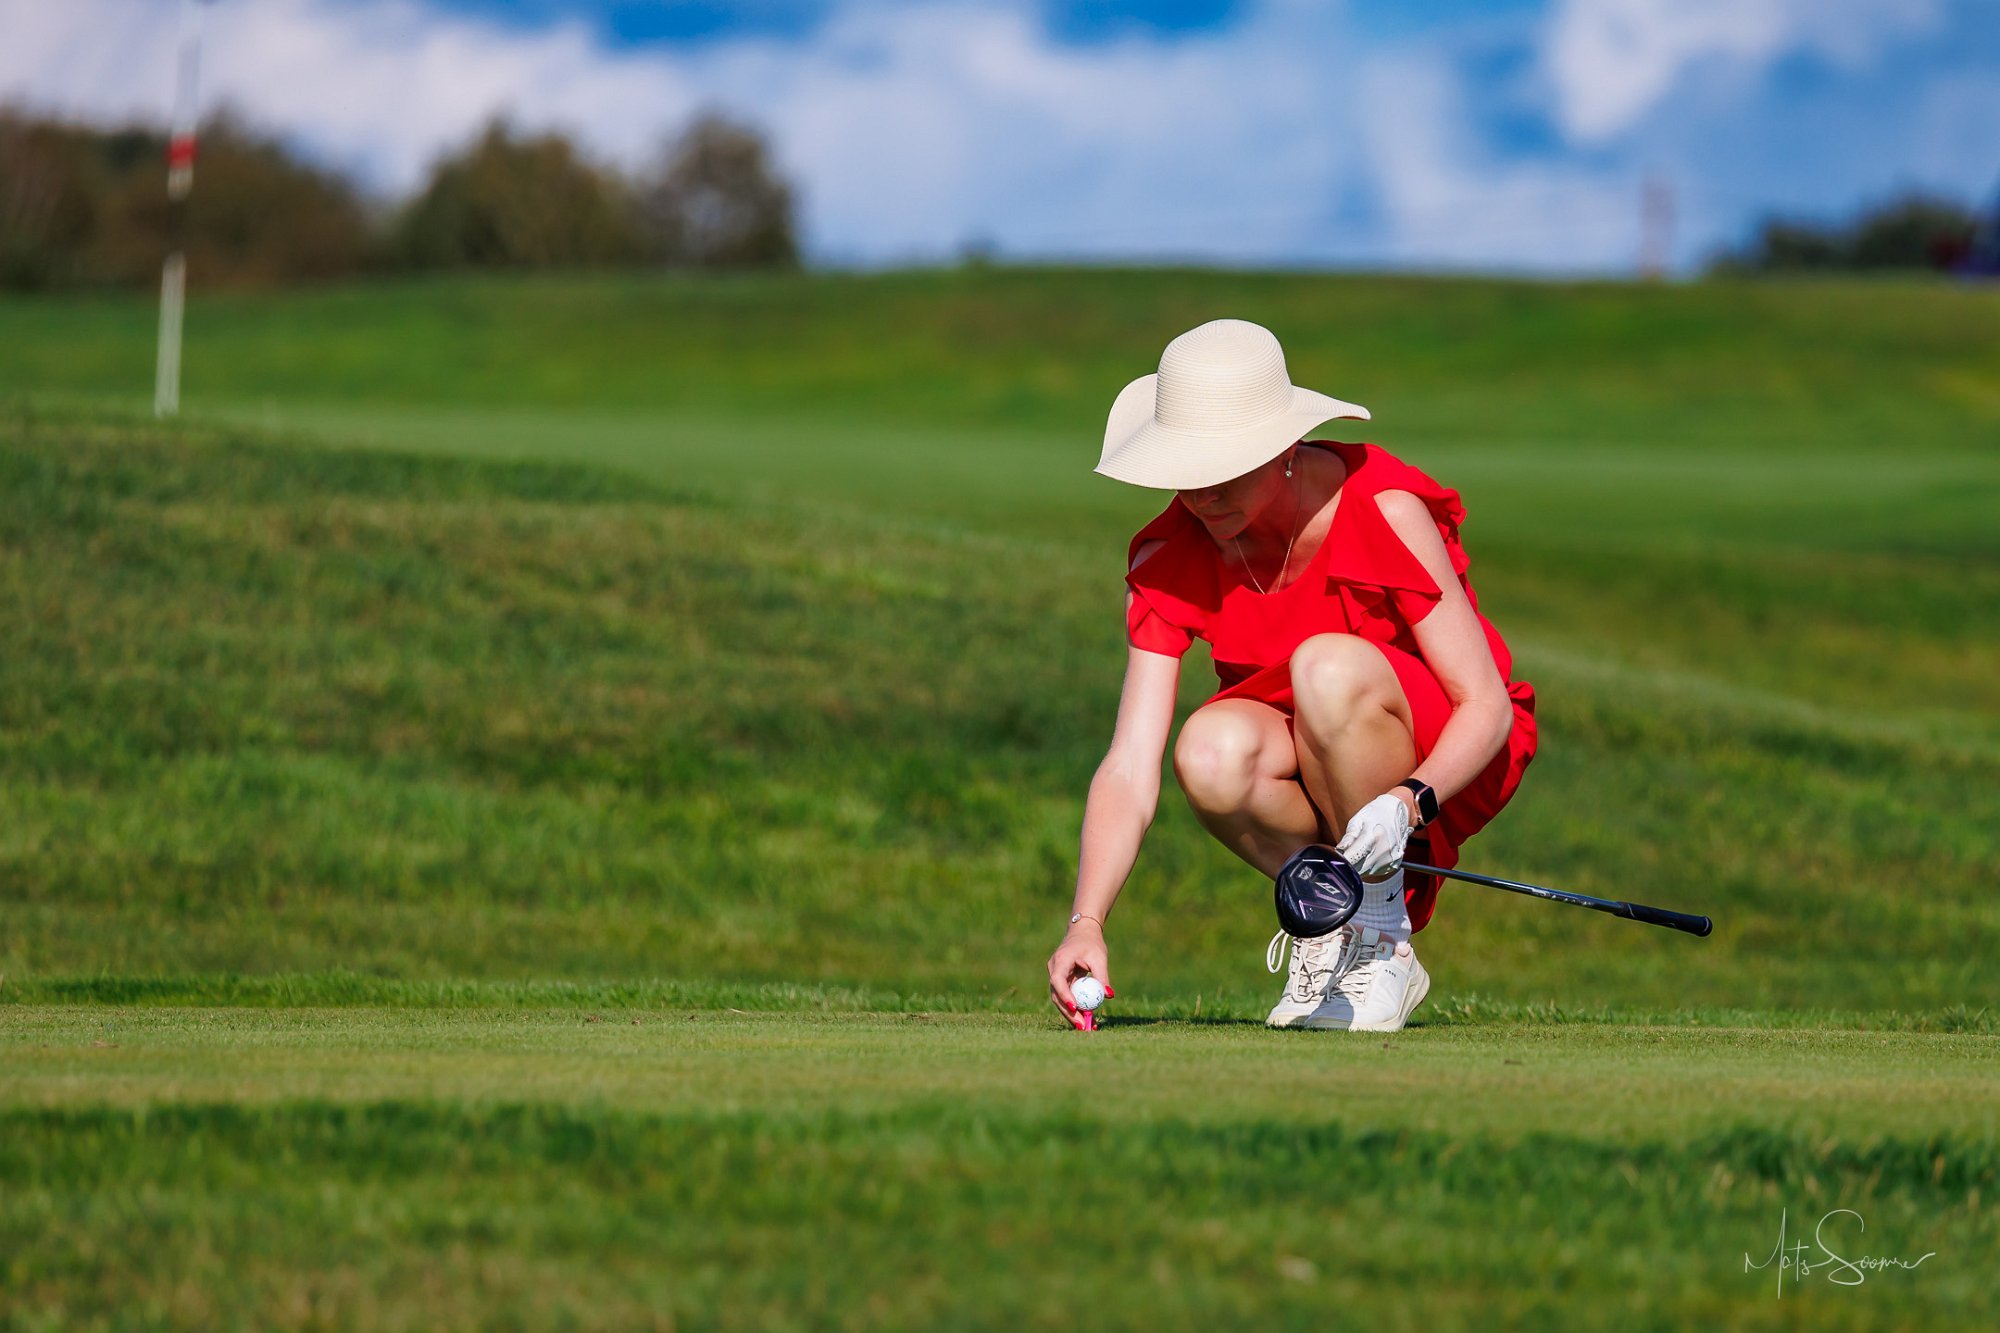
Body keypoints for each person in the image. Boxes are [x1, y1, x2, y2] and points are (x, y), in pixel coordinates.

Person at [1045, 319, 1537, 1033]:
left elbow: (1485, 705)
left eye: (1224, 471)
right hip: (1311, 753)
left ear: (1282, 448)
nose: (1201, 497)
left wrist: (1406, 802)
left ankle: (1382, 937)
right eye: (1187, 474)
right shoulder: (1169, 552)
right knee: (1206, 750)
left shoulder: (1385, 509)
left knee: (1325, 664)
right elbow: (1128, 763)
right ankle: (1337, 923)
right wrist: (1086, 920)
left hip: (1447, 756)